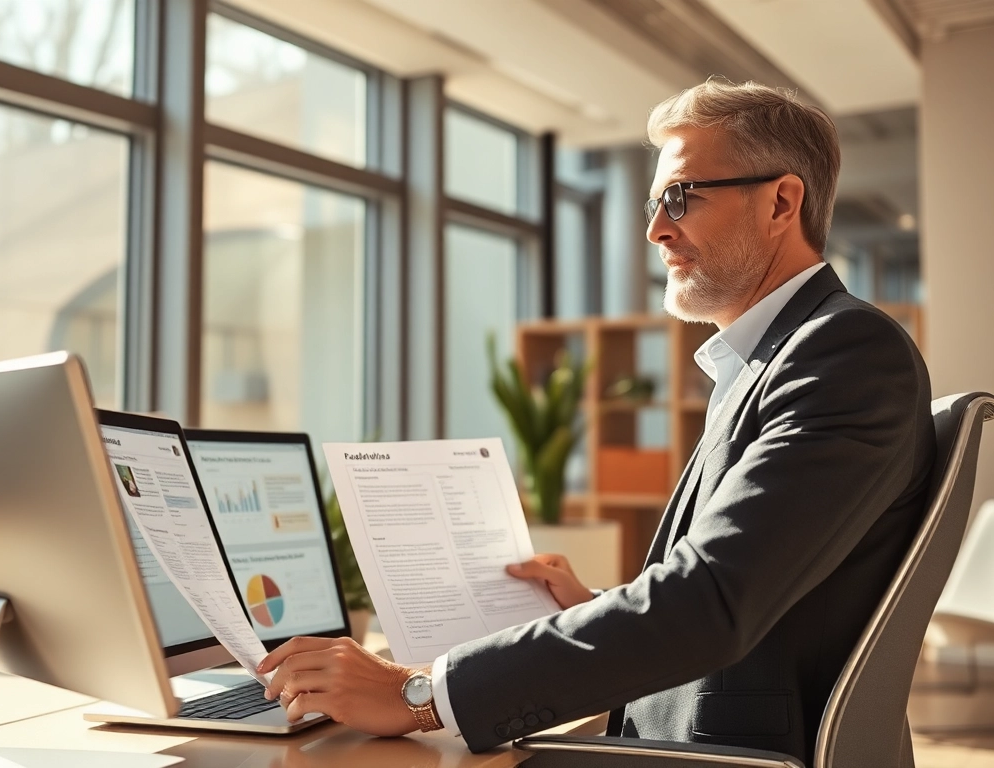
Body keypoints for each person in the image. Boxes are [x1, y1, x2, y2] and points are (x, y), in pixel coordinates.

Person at [256, 79, 935, 763]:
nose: (656, 229)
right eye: (653, 202)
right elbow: (756, 585)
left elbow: (714, 603)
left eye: (682, 196)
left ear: (782, 202)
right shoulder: (775, 358)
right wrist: (594, 603)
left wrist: (422, 691)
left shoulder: (843, 354)